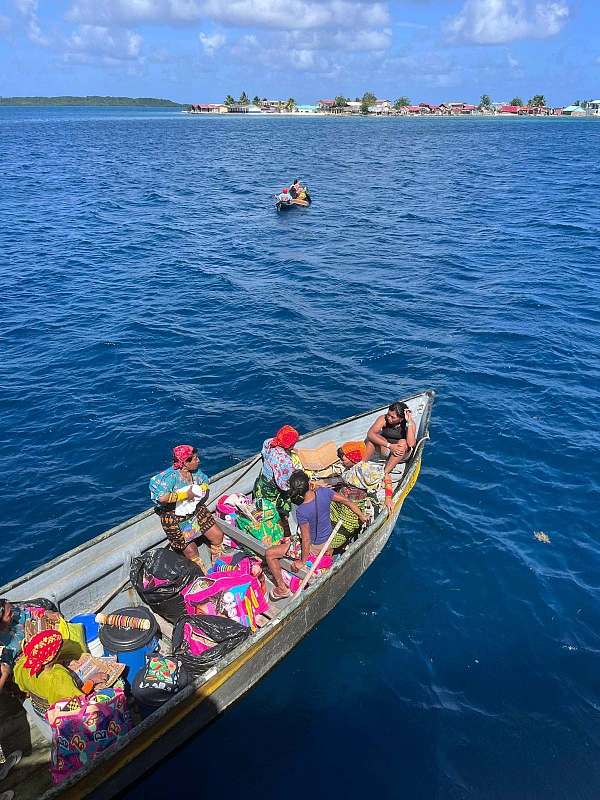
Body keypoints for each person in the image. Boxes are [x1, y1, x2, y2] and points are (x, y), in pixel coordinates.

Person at [266, 470, 367, 600]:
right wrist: (361, 515)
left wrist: (302, 561)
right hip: (327, 542)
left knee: (270, 553)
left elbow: (306, 539)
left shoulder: (302, 510)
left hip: (314, 547)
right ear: (309, 483)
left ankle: (282, 588)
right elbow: (348, 502)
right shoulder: (324, 492)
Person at [149, 445, 224, 568]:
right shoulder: (170, 478)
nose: (198, 460)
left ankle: (218, 564)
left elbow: (204, 481)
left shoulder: (195, 473)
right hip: (175, 516)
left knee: (217, 536)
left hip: (194, 510)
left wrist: (203, 487)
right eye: (195, 459)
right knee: (191, 552)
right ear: (184, 463)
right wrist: (185, 495)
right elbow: (162, 498)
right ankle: (201, 572)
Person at [253, 425, 300, 539]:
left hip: (261, 484)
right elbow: (284, 486)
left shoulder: (269, 442)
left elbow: (265, 454)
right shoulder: (283, 460)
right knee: (280, 511)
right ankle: (284, 534)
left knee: (261, 510)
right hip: (273, 493)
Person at [364, 401, 416, 475]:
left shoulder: (409, 424)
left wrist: (409, 422)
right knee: (372, 439)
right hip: (388, 449)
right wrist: (390, 446)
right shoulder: (383, 418)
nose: (389, 418)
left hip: (401, 454)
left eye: (393, 417)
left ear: (401, 418)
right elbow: (370, 434)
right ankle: (360, 465)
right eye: (388, 415)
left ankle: (385, 473)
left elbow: (411, 444)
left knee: (402, 442)